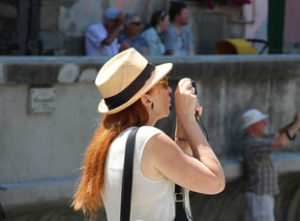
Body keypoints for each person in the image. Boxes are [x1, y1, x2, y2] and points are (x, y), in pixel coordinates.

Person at [72, 48, 225, 220]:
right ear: (146, 99)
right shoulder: (150, 139)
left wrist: (184, 119)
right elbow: (215, 182)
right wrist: (187, 119)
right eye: (163, 82)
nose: (169, 90)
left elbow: (179, 175)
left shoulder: (114, 141)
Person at [241, 108, 300, 221]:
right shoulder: (250, 143)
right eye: (261, 122)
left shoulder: (259, 138)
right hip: (259, 196)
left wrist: (294, 123)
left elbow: (279, 134)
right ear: (253, 126)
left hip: (262, 195)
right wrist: (297, 124)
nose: (264, 124)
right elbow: (280, 142)